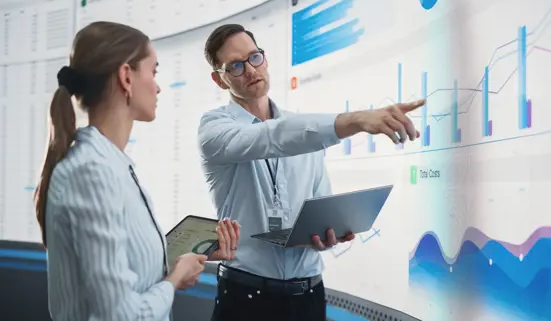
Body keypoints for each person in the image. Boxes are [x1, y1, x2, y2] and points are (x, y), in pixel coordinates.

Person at [198, 24, 424, 321]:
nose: (251, 71)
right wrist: (356, 120)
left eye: (255, 58)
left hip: (308, 295)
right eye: (236, 66)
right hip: (245, 297)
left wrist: (326, 233)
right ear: (219, 79)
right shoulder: (215, 128)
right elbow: (270, 137)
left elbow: (319, 201)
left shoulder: (305, 132)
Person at [32, 21, 240, 321]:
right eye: (153, 71)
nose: (157, 86)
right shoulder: (92, 173)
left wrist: (184, 258)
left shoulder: (109, 165)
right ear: (126, 77)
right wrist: (174, 281)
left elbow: (125, 268)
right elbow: (120, 314)